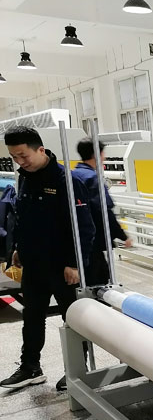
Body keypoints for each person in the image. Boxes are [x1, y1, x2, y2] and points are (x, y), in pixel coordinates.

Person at [0, 127, 95, 391]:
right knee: (32, 317)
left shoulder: (67, 181)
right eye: (14, 157)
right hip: (33, 265)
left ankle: (77, 369)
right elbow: (23, 218)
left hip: (62, 267)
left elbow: (85, 228)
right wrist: (18, 248)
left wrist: (74, 263)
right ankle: (30, 367)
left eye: (23, 155)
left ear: (40, 149)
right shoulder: (25, 178)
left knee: (72, 318)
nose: (20, 162)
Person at [73, 138, 132, 286]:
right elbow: (104, 211)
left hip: (76, 240)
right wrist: (122, 235)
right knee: (99, 282)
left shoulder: (73, 175)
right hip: (93, 241)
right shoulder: (93, 178)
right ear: (97, 154)